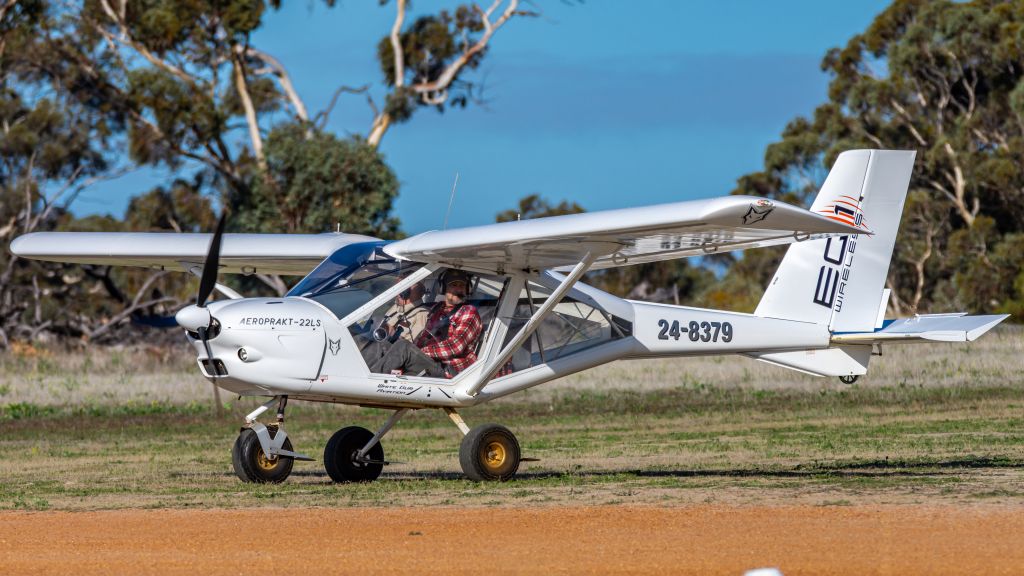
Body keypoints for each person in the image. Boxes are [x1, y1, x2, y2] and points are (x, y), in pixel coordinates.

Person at [369, 270, 482, 378]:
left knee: (403, 346)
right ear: (443, 288)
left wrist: (419, 352)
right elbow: (422, 338)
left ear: (467, 289)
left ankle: (370, 381)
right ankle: (360, 374)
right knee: (382, 345)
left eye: (461, 286)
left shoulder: (468, 311)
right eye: (453, 285)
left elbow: (455, 347)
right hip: (430, 362)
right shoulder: (436, 309)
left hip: (449, 369)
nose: (458, 289)